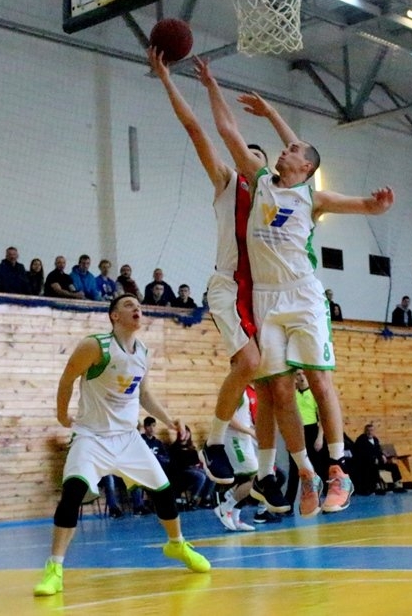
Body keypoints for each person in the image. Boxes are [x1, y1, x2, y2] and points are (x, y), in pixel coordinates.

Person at [197, 55, 394, 518]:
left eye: (291, 150)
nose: (283, 151)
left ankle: (338, 469)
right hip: (265, 298)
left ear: (305, 165)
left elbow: (361, 204)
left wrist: (376, 205)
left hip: (302, 295)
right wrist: (212, 86)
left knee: (320, 381)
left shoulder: (312, 196)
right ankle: (305, 472)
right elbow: (227, 130)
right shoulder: (260, 181)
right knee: (280, 391)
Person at [150, 48, 309, 517]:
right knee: (251, 363)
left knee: (273, 385)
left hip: (264, 295)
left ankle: (266, 474)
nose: (249, 159)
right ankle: (215, 441)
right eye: (247, 154)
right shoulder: (227, 182)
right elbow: (200, 129)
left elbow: (304, 161)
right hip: (227, 285)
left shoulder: (278, 198)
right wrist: (172, 79)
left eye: (257, 157)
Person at [32, 294, 210, 598]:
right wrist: (62, 415)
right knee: (72, 494)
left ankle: (177, 545)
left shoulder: (143, 352)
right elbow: (67, 379)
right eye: (128, 305)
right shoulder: (95, 346)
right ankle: (54, 568)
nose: (136, 308)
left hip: (128, 438)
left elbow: (144, 394)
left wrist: (169, 421)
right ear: (114, 316)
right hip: (92, 436)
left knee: (164, 491)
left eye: (138, 305)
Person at [213, 385, 260, 532]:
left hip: (244, 439)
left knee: (246, 479)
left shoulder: (247, 391)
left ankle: (235, 517)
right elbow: (228, 418)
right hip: (235, 440)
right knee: (256, 477)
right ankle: (225, 507)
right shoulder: (235, 390)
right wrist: (250, 431)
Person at [285, 370, 329, 507]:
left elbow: (322, 417)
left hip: (312, 431)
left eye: (303, 374)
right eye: (298, 374)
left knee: (318, 467)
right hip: (296, 432)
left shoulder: (314, 394)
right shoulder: (292, 395)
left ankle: (324, 499)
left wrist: (320, 437)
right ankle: (288, 504)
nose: (301, 377)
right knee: (294, 469)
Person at [168, 426, 215, 509]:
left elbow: (196, 461)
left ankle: (205, 498)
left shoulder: (191, 448)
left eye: (187, 432)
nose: (185, 435)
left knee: (211, 475)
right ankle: (193, 500)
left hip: (193, 469)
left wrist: (192, 463)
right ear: (179, 434)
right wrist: (190, 463)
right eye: (183, 432)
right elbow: (177, 463)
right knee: (201, 476)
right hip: (181, 472)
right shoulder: (174, 448)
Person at [354, 423, 404, 494]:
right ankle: (377, 486)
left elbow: (378, 450)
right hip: (367, 463)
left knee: (393, 466)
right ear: (365, 431)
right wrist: (373, 458)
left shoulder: (375, 440)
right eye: (368, 430)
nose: (370, 432)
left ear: (374, 431)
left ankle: (397, 485)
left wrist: (382, 455)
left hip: (378, 461)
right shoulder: (361, 440)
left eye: (371, 430)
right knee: (373, 467)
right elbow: (361, 453)